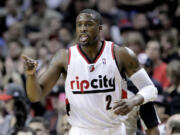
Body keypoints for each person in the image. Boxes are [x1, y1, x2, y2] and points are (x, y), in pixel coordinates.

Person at [22, 9, 158, 135]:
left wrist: (133, 101)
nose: (83, 29)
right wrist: (31, 75)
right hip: (80, 130)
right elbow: (35, 96)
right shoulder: (64, 57)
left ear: (100, 28)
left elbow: (150, 88)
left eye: (88, 24)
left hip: (113, 129)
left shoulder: (121, 54)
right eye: (79, 25)